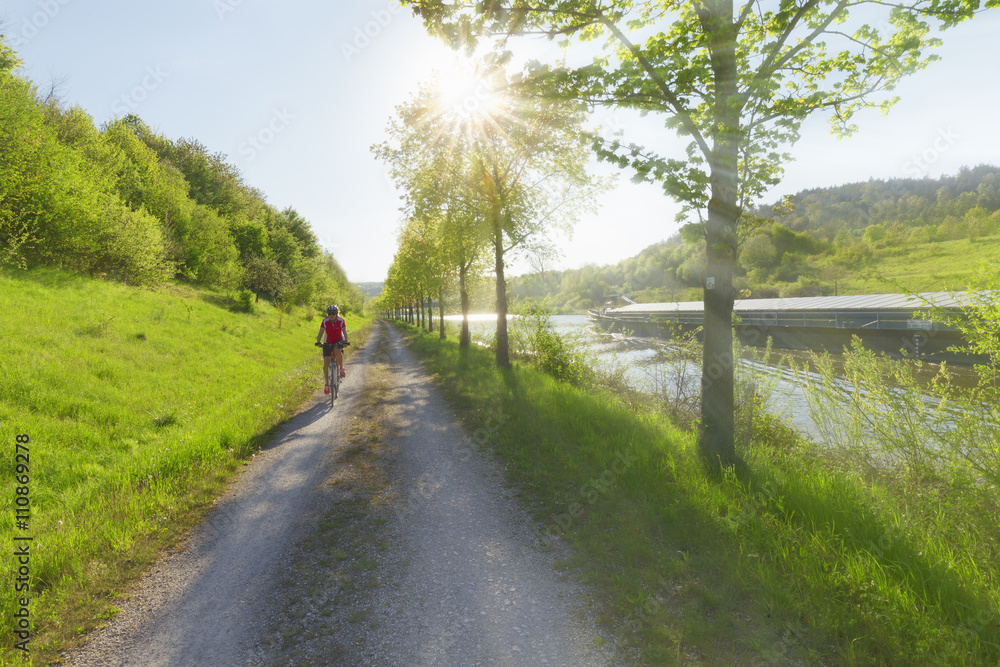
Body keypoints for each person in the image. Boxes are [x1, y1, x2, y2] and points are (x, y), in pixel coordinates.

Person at [316, 304, 349, 395]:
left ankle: (341, 368)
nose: (331, 315)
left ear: (337, 314)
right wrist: (318, 342)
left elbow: (345, 331)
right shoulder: (325, 321)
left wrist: (346, 341)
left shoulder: (341, 320)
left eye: (333, 313)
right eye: (329, 314)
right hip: (328, 341)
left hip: (338, 340)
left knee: (337, 350)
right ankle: (327, 384)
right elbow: (321, 332)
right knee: (326, 362)